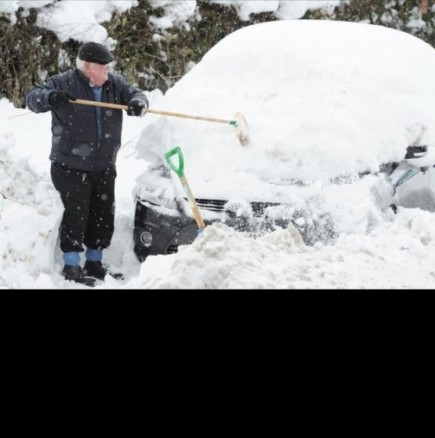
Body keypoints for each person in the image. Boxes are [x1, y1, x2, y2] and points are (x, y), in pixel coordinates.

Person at [26, 42, 149, 287]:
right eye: (104, 67)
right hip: (70, 165)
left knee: (102, 215)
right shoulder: (64, 83)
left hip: (103, 164)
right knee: (76, 214)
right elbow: (32, 99)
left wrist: (138, 103)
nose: (108, 70)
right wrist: (50, 97)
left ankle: (94, 262)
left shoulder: (114, 84)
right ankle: (71, 265)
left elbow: (136, 94)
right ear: (89, 67)